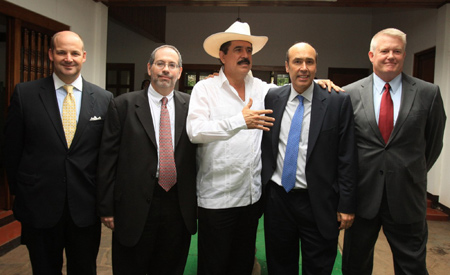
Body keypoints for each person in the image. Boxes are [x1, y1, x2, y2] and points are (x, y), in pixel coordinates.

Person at [187, 21, 338, 275]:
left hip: (251, 198)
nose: (245, 55)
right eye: (237, 49)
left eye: (248, 50)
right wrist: (239, 121)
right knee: (213, 265)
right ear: (222, 56)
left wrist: (314, 79)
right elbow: (195, 131)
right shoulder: (205, 88)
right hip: (217, 198)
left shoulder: (263, 89)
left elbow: (295, 90)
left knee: (243, 263)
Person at [4, 31, 113, 274]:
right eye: (62, 52)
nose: (68, 58)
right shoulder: (25, 94)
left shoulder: (105, 99)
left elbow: (107, 156)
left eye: (74, 53)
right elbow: (12, 151)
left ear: (83, 56)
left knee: (84, 269)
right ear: (51, 54)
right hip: (39, 206)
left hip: (85, 208)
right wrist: (21, 194)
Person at [342, 28, 446, 275]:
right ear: (371, 55)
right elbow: (343, 146)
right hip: (362, 197)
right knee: (356, 264)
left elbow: (433, 144)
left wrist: (408, 170)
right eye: (384, 50)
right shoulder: (348, 94)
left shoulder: (428, 93)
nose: (391, 56)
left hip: (407, 197)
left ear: (404, 54)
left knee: (412, 266)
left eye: (397, 51)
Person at [96, 45, 197, 274]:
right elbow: (107, 160)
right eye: (160, 64)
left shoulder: (192, 106)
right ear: (149, 68)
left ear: (179, 72)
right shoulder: (123, 105)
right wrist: (106, 207)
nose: (165, 70)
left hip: (178, 205)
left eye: (172, 65)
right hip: (134, 205)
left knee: (170, 266)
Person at [261, 42, 358, 275]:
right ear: (287, 67)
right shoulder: (272, 98)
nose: (303, 68)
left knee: (319, 267)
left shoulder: (337, 101)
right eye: (297, 62)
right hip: (278, 200)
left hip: (319, 202)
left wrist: (346, 204)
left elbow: (347, 155)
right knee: (280, 265)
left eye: (309, 62)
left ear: (316, 67)